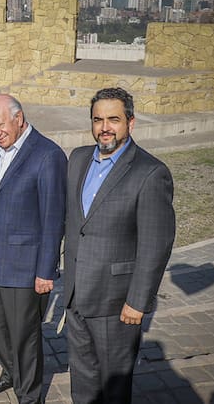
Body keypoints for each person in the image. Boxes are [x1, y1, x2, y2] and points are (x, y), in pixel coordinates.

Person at [64, 87, 175, 404]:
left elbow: (156, 244)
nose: (105, 128)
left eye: (113, 119)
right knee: (82, 385)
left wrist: (137, 302)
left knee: (113, 390)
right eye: (97, 120)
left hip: (116, 305)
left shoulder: (150, 172)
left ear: (131, 122)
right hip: (76, 296)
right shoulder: (78, 159)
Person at [0, 94, 67, 403]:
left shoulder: (48, 155)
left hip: (25, 266)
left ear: (18, 118)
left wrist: (45, 271)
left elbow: (53, 218)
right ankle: (10, 374)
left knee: (24, 336)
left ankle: (29, 396)